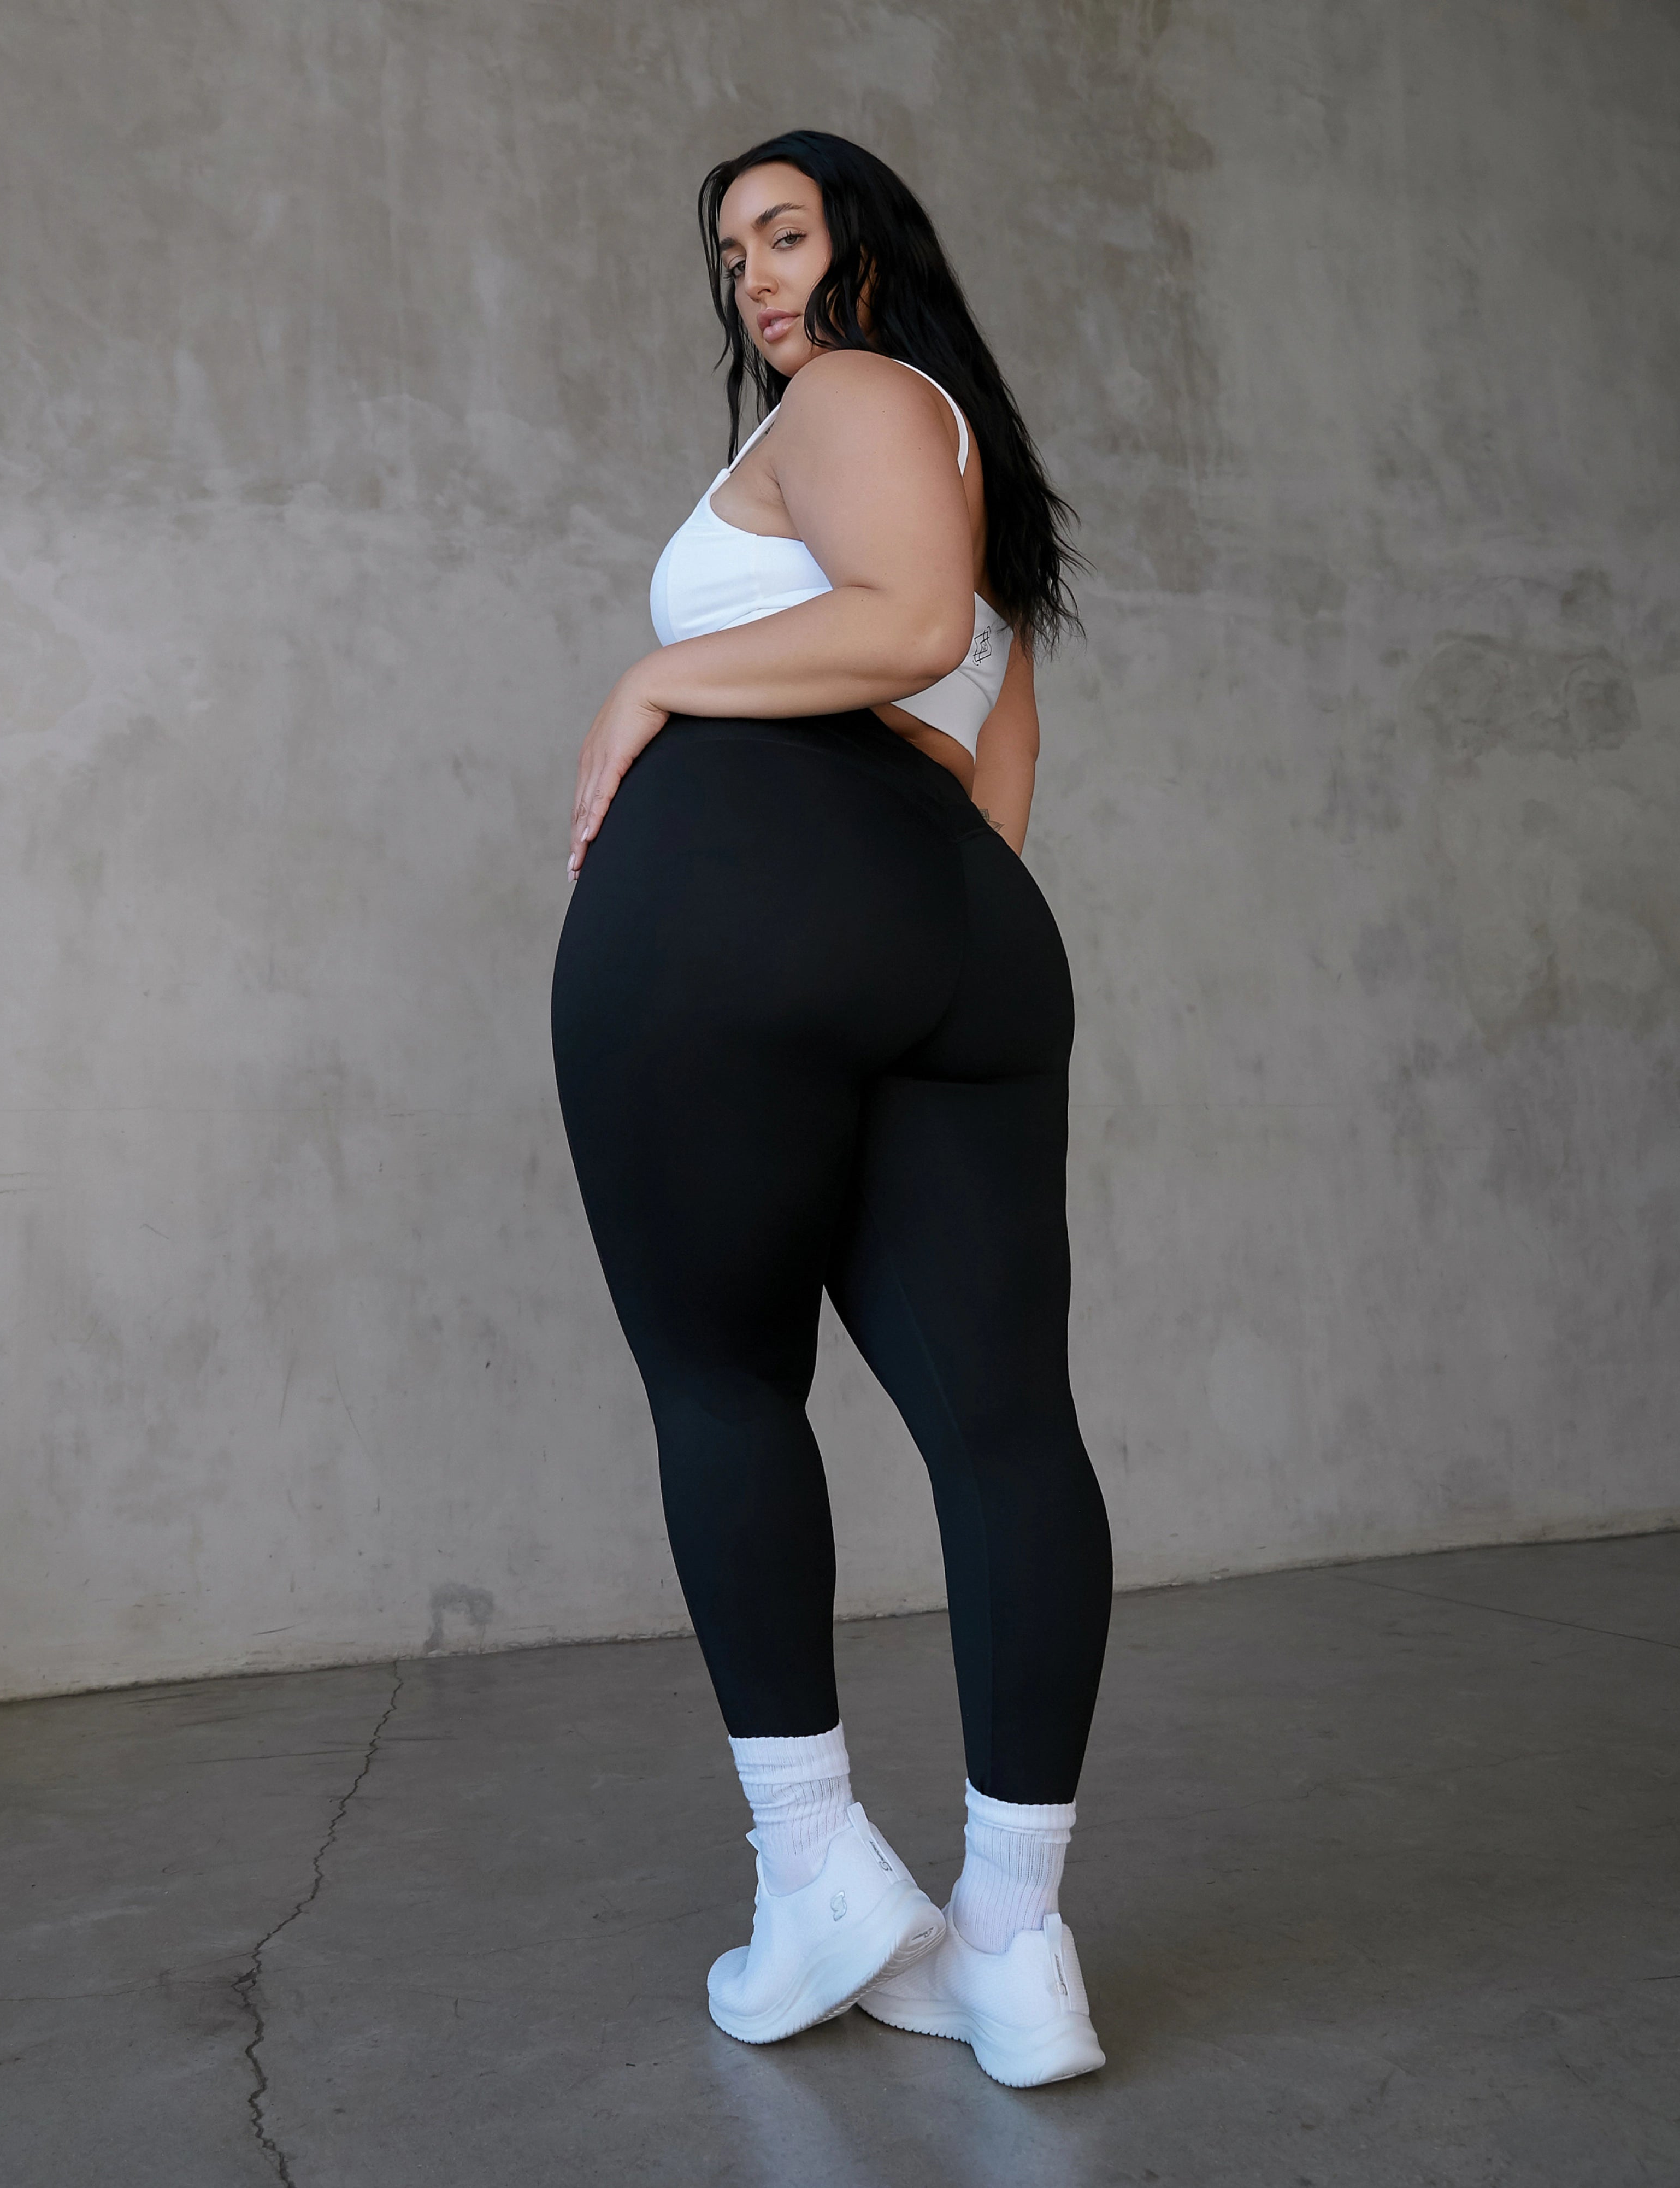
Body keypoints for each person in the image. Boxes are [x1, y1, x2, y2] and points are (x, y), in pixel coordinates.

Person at [550, 129, 1114, 2089]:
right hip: (954, 931)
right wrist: (878, 939)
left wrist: (650, 682)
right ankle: (1013, 1947)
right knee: (1006, 1423)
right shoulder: (983, 487)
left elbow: (897, 625)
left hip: (742, 905)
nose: (756, 278)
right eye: (731, 255)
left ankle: (815, 1878)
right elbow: (987, 782)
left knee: (720, 1382)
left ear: (870, 242)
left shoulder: (856, 396)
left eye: (784, 232)